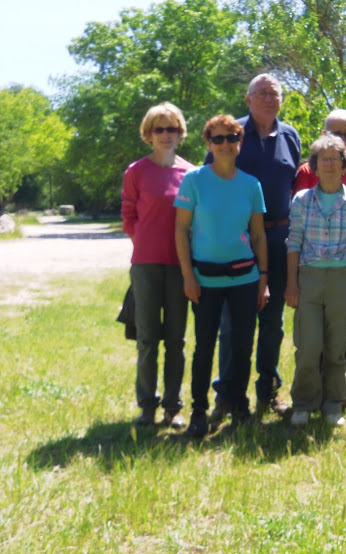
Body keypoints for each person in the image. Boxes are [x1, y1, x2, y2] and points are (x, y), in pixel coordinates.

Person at [208, 74, 301, 427]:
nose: (267, 97)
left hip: (278, 239)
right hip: (238, 241)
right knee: (232, 324)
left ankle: (268, 390)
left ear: (280, 99)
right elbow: (212, 178)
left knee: (272, 322)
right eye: (260, 93)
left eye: (273, 92)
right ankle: (227, 396)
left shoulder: (290, 136)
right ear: (248, 100)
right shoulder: (232, 133)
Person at [174, 115, 270, 438]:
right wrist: (188, 276)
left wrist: (264, 279)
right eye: (218, 139)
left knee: (243, 347)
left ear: (240, 142)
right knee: (204, 348)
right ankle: (199, 412)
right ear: (208, 143)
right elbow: (181, 229)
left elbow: (258, 236)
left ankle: (239, 406)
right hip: (205, 280)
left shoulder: (251, 185)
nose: (225, 144)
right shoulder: (194, 181)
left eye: (232, 137)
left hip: (245, 278)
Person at [285, 134, 346, 426]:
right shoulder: (301, 200)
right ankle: (303, 403)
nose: (331, 164)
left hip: (343, 277)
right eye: (325, 159)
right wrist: (291, 284)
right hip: (308, 278)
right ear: (315, 166)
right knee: (308, 346)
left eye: (336, 158)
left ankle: (334, 404)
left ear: (344, 164)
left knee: (337, 346)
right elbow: (293, 242)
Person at [121, 102, 194, 428]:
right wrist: (146, 246)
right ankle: (147, 406)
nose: (166, 135)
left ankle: (172, 407)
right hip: (147, 267)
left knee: (176, 341)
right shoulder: (136, 171)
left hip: (182, 268)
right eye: (159, 129)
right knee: (148, 340)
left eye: (172, 128)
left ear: (180, 133)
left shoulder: (192, 174)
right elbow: (128, 218)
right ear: (148, 134)